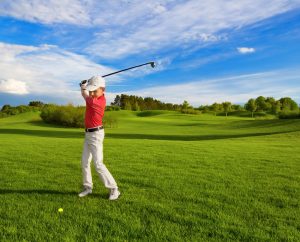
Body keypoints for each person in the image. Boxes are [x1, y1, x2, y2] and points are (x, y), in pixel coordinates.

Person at [79, 76, 120, 200]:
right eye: (91, 91)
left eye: (94, 91)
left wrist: (83, 87)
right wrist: (85, 87)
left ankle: (114, 189)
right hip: (88, 134)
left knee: (98, 164)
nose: (92, 93)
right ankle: (88, 187)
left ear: (103, 90)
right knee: (85, 162)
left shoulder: (96, 102)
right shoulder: (95, 97)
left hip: (95, 135)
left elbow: (85, 95)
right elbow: (86, 93)